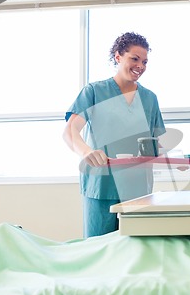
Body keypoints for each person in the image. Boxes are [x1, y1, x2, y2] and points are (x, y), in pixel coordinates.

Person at [63, 32, 166, 238]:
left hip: (138, 189)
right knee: (97, 251)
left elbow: (157, 144)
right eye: (134, 59)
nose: (141, 66)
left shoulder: (150, 99)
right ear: (118, 57)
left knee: (136, 252)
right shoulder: (94, 91)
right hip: (101, 185)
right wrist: (86, 152)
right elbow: (70, 131)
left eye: (145, 61)